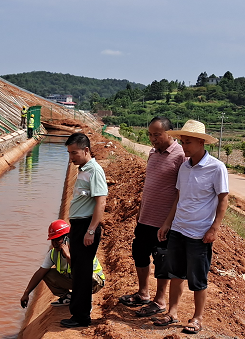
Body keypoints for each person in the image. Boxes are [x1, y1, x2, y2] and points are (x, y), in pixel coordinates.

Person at [154, 120, 228, 334]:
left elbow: (223, 200)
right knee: (175, 273)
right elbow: (179, 197)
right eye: (183, 142)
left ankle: (197, 318)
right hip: (178, 229)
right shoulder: (184, 167)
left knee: (197, 278)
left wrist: (214, 228)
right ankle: (172, 312)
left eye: (188, 142)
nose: (184, 146)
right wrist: (167, 223)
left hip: (199, 233)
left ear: (201, 142)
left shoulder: (216, 168)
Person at [117, 116, 185, 318]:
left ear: (169, 133)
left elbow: (180, 193)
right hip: (145, 217)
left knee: (162, 260)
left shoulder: (180, 156)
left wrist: (169, 222)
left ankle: (160, 300)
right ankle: (143, 293)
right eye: (150, 134)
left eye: (157, 134)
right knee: (139, 253)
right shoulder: (153, 153)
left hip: (164, 222)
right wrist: (139, 212)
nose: (153, 139)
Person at [61, 132, 107, 328]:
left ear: (86, 150)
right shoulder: (84, 169)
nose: (71, 158)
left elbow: (101, 201)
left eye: (74, 153)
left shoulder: (95, 170)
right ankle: (78, 313)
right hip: (79, 226)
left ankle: (81, 317)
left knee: (82, 271)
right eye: (70, 154)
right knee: (78, 270)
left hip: (86, 226)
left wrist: (91, 230)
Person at [20, 220, 105, 308]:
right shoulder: (53, 254)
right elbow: (40, 272)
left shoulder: (80, 249)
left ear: (67, 237)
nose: (54, 244)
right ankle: (68, 297)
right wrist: (26, 293)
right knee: (47, 274)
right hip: (76, 280)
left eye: (58, 240)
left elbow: (80, 271)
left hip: (94, 281)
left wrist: (68, 256)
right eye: (52, 240)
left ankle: (85, 298)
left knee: (84, 273)